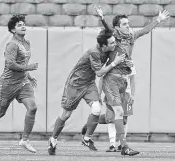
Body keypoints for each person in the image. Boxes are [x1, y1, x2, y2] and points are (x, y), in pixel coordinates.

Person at [94, 6, 169, 156]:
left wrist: (158, 20)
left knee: (113, 116)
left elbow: (144, 31)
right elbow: (108, 28)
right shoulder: (114, 36)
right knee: (119, 112)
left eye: (128, 23)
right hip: (111, 81)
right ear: (117, 28)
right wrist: (102, 18)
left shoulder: (131, 36)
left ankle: (92, 122)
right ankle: (124, 147)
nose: (128, 26)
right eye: (124, 24)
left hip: (123, 80)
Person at [48, 28, 126, 155]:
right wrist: (115, 63)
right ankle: (53, 139)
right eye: (111, 43)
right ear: (103, 45)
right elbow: (100, 73)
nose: (114, 44)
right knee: (66, 115)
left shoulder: (108, 49)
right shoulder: (94, 52)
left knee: (96, 109)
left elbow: (113, 33)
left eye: (114, 42)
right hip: (75, 84)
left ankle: (87, 138)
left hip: (89, 84)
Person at [0, 15, 38, 153]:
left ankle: (25, 139)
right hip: (8, 84)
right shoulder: (12, 45)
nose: (23, 26)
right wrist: (28, 68)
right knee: (0, 112)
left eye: (23, 24)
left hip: (22, 82)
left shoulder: (26, 43)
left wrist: (29, 75)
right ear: (12, 30)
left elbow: (22, 63)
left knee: (32, 108)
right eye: (19, 25)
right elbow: (10, 64)